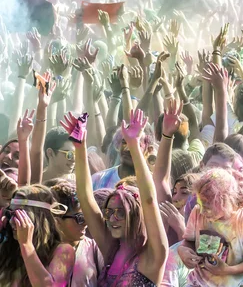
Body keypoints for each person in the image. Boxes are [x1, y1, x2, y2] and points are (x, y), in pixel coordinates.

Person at [66, 109, 169, 286]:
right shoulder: (111, 248)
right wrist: (80, 146)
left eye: (121, 212)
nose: (112, 219)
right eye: (109, 212)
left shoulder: (153, 255)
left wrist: (134, 146)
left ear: (137, 214)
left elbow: (150, 200)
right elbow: (85, 197)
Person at [178, 167, 243, 286]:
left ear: (224, 201)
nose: (203, 211)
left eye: (208, 207)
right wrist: (183, 251)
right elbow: (188, 241)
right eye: (200, 204)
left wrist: (227, 270)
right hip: (198, 283)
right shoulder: (197, 213)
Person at [0, 184, 76, 286]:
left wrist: (26, 245)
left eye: (18, 216)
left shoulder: (63, 251)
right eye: (10, 214)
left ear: (38, 218)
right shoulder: (9, 247)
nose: (12, 221)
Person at [51, 181, 104, 286]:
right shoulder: (42, 250)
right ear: (57, 221)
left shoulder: (95, 250)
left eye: (87, 217)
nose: (86, 223)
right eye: (80, 218)